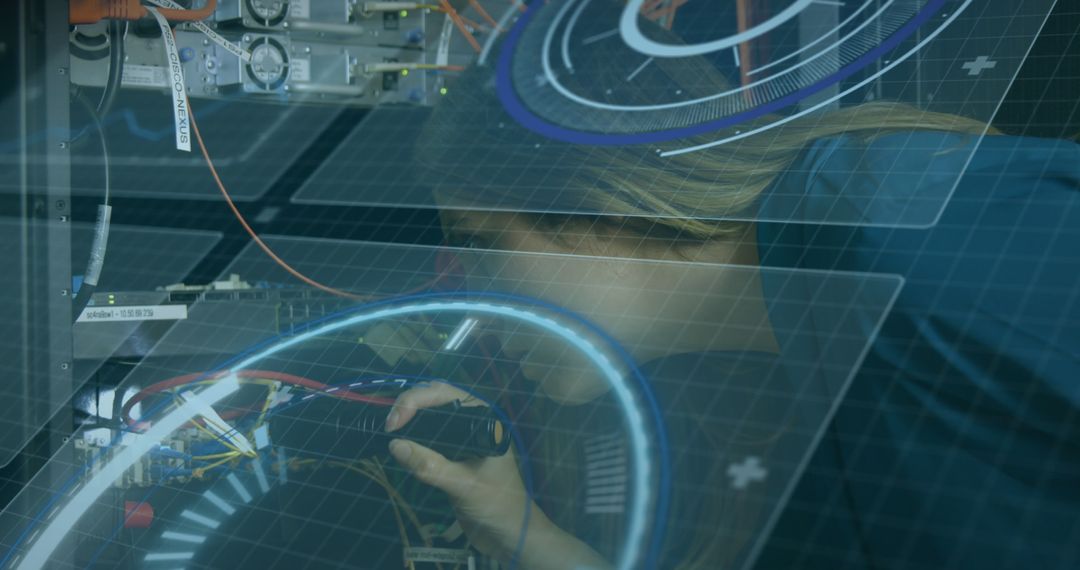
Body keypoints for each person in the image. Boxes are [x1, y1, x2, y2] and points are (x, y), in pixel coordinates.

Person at [375, 8, 1080, 570]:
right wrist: (524, 534)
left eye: (481, 244)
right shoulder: (777, 383)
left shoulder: (899, 227)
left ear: (592, 199)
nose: (474, 305)